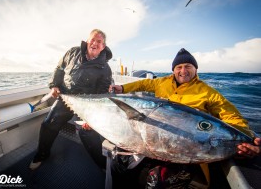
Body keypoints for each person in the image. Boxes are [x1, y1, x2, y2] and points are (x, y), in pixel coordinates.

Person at [109, 48, 261, 188]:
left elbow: (232, 116)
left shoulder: (208, 92)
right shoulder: (162, 82)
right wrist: (122, 88)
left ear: (195, 69)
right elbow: (144, 83)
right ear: (173, 70)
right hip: (153, 141)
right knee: (118, 165)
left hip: (186, 152)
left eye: (188, 66)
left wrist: (248, 138)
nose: (183, 71)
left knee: (157, 183)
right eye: (179, 67)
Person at [29, 29, 112, 170]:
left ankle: (103, 165)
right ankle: (42, 155)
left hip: (88, 105)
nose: (95, 43)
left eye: (99, 42)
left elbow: (102, 96)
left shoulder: (105, 69)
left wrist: (91, 118)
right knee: (48, 124)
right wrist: (54, 85)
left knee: (88, 133)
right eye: (92, 39)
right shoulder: (72, 52)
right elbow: (60, 68)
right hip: (66, 98)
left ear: (103, 46)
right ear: (87, 41)